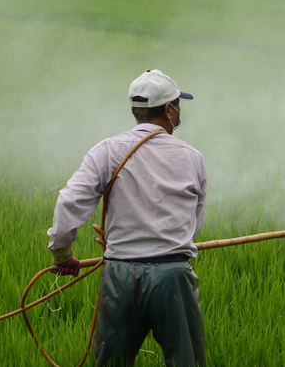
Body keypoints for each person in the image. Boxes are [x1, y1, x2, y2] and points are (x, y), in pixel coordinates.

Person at [46, 69, 208, 367]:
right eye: (178, 105)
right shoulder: (192, 158)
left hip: (119, 275)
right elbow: (194, 224)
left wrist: (62, 254)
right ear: (169, 110)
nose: (180, 111)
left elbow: (69, 202)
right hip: (172, 276)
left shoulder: (106, 151)